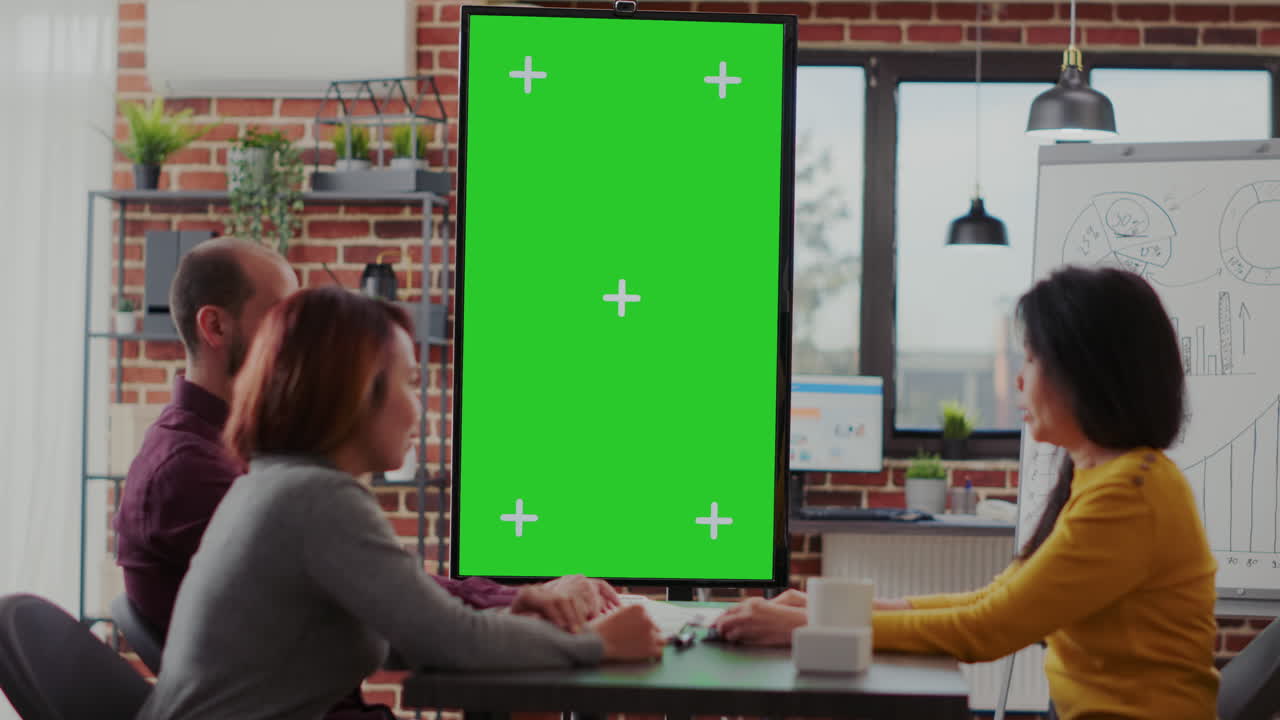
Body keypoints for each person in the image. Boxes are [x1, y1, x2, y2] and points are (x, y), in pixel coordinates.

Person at [714, 266, 1219, 719]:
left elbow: (984, 629)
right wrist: (816, 613)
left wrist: (806, 627)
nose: (1019, 380)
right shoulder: (1105, 475)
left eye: (1033, 359)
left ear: (1088, 371)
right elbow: (992, 598)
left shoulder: (1130, 493)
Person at [137, 288, 665, 720]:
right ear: (354, 391)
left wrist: (517, 614)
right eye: (411, 382)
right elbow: (450, 642)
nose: (420, 406)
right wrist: (596, 645)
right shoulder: (314, 499)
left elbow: (412, 630)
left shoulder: (278, 484)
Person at [115, 238, 618, 639]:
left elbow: (388, 587)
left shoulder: (245, 461)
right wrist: (535, 604)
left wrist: (523, 597)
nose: (298, 341)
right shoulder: (190, 471)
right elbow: (403, 606)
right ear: (215, 326)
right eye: (280, 318)